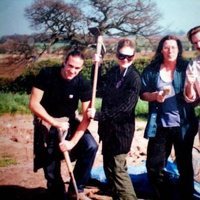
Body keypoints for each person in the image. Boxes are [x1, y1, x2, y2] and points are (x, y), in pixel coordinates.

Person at [29, 49, 98, 200]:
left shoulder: (83, 83)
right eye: (70, 66)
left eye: (77, 68)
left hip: (69, 121)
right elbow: (34, 104)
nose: (72, 70)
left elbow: (86, 117)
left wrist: (72, 143)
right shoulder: (47, 74)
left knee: (91, 146)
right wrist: (54, 122)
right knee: (51, 162)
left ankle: (76, 189)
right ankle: (56, 191)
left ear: (82, 68)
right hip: (47, 121)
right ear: (64, 62)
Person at [140, 35, 198, 200]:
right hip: (159, 125)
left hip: (184, 125)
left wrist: (190, 84)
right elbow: (143, 94)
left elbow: (192, 97)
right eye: (166, 47)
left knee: (185, 166)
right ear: (161, 50)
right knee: (153, 166)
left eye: (173, 47)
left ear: (179, 49)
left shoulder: (186, 68)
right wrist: (154, 96)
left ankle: (186, 196)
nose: (170, 50)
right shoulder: (152, 70)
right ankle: (164, 195)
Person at [87, 38, 141, 200]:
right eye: (122, 56)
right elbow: (98, 87)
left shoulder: (134, 78)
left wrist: (98, 116)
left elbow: (125, 109)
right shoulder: (113, 72)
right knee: (108, 167)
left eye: (129, 57)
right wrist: (97, 65)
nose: (125, 60)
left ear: (134, 57)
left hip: (121, 132)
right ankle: (116, 196)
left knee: (118, 169)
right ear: (117, 55)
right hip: (107, 130)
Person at [184, 25, 200, 105]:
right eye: (195, 43)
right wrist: (190, 84)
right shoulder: (192, 66)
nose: (199, 45)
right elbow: (191, 99)